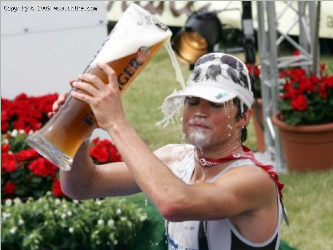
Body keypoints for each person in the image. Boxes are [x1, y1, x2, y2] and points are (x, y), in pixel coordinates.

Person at [53, 53, 285, 250]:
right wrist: (80, 133)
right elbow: (82, 186)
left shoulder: (254, 180)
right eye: (192, 102)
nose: (199, 112)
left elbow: (174, 203)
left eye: (215, 104)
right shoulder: (174, 157)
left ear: (244, 117)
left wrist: (116, 122)